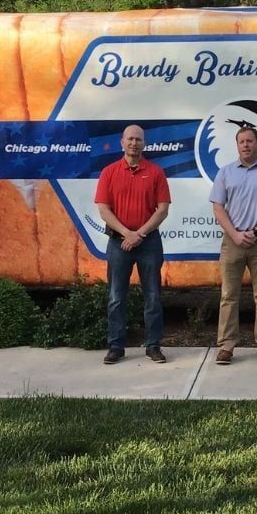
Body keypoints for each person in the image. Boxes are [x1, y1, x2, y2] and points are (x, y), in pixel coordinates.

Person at [209, 126, 257, 365]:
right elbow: (218, 208)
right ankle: (226, 347)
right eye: (242, 142)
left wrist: (255, 231)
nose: (246, 145)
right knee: (228, 295)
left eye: (250, 141)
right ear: (237, 145)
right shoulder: (225, 173)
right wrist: (235, 234)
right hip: (232, 242)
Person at [95, 124, 171, 364]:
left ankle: (153, 346)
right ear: (122, 142)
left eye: (139, 139)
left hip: (149, 242)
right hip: (119, 243)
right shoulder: (109, 172)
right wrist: (127, 233)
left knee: (153, 296)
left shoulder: (156, 172)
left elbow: (163, 210)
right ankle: (116, 347)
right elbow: (103, 210)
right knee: (116, 297)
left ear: (144, 143)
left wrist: (139, 234)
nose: (134, 143)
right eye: (130, 139)